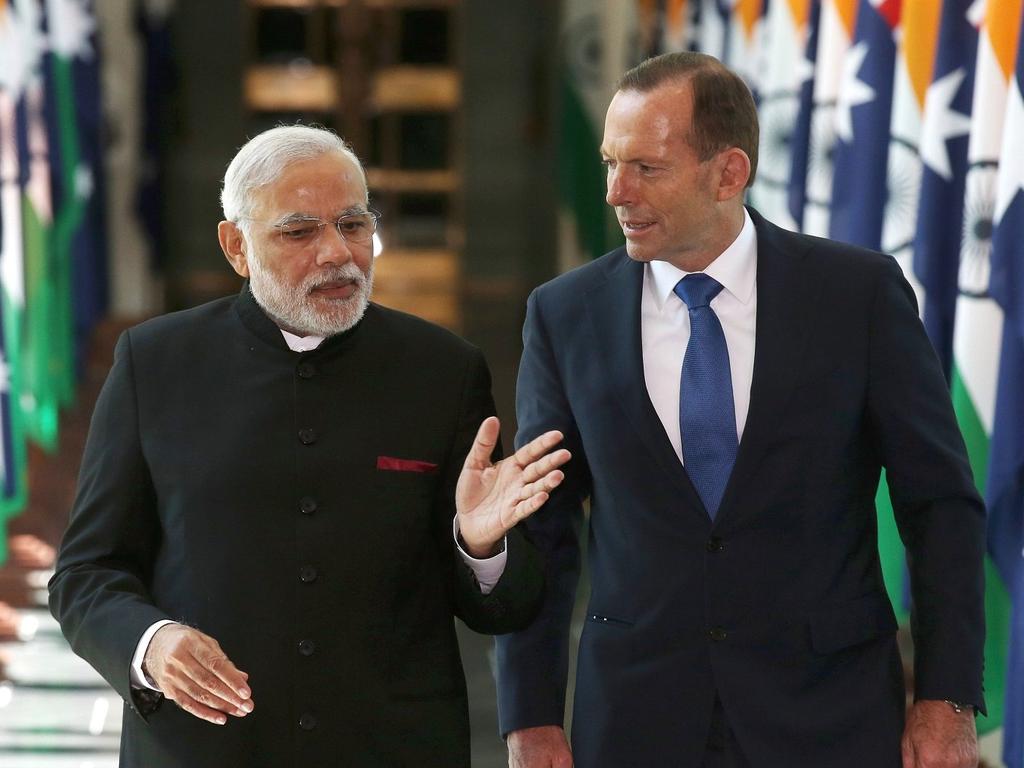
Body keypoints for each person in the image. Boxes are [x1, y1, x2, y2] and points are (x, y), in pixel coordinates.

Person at [496, 52, 985, 768]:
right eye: (609, 163)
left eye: (646, 168)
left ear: (729, 172)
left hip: (830, 714)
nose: (615, 191)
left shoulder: (858, 297)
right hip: (637, 718)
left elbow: (939, 506)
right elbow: (544, 533)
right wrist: (530, 717)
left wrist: (946, 701)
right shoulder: (562, 315)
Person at [48, 125, 570, 767]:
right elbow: (85, 574)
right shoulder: (153, 364)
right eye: (300, 232)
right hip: (203, 750)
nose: (337, 254)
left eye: (353, 224)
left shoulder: (444, 370)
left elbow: (507, 606)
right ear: (235, 246)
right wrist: (150, 644)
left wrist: (482, 545)